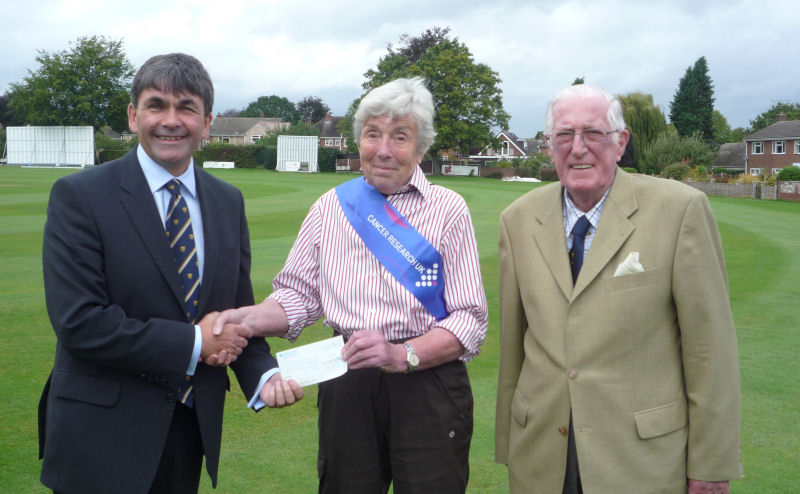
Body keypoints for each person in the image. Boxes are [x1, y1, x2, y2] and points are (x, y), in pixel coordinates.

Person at [39, 53, 301, 494]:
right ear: (133, 114)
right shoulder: (80, 196)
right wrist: (198, 343)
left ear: (208, 121)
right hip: (101, 435)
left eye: (187, 108)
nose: (171, 120)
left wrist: (264, 376)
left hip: (187, 432)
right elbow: (79, 323)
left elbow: (232, 313)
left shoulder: (227, 201)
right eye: (157, 105)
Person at [213, 77, 488, 493]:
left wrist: (403, 355)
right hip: (347, 377)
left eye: (400, 137)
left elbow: (469, 318)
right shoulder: (331, 206)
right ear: (358, 139)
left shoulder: (448, 210)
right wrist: (246, 320)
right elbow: (298, 295)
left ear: (421, 147)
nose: (382, 149)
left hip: (428, 379)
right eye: (372, 134)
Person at [494, 84, 741, 493]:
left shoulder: (681, 211)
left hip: (638, 459)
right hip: (540, 453)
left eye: (592, 133)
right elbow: (513, 347)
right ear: (549, 146)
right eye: (564, 135)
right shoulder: (517, 219)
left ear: (620, 142)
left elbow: (709, 350)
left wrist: (711, 463)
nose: (577, 148)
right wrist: (508, 440)